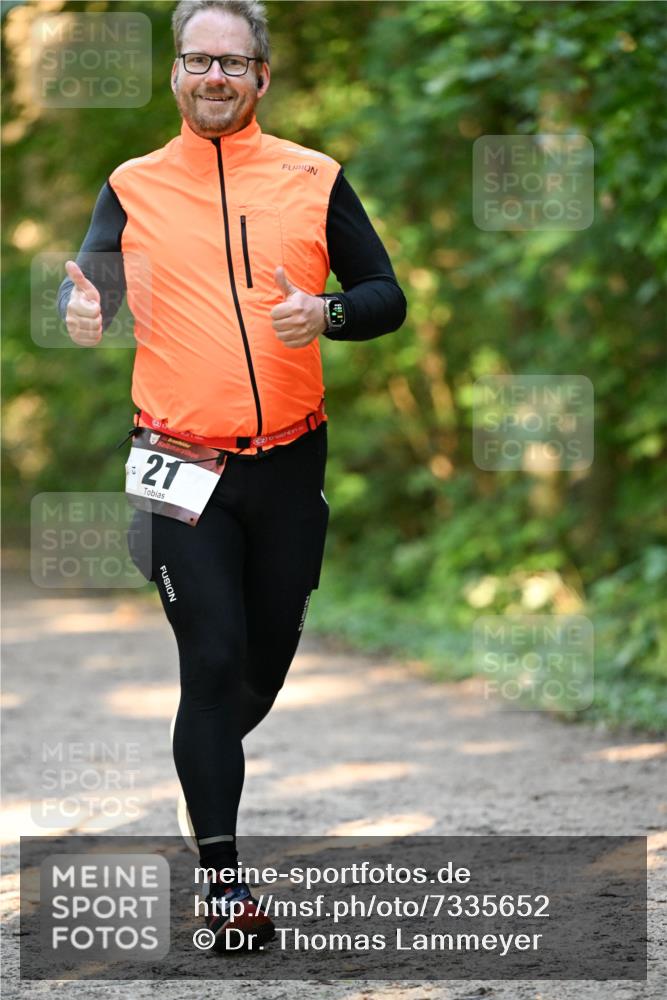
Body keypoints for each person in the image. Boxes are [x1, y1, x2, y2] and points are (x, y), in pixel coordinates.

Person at [58, 0, 406, 951]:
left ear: (262, 75)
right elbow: (86, 279)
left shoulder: (311, 176)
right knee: (208, 661)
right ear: (175, 72)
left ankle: (200, 765)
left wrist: (325, 315)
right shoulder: (131, 185)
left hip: (291, 462)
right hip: (178, 460)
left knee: (257, 669)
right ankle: (224, 885)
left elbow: (385, 298)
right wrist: (78, 306)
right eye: (197, 60)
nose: (214, 77)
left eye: (233, 62)